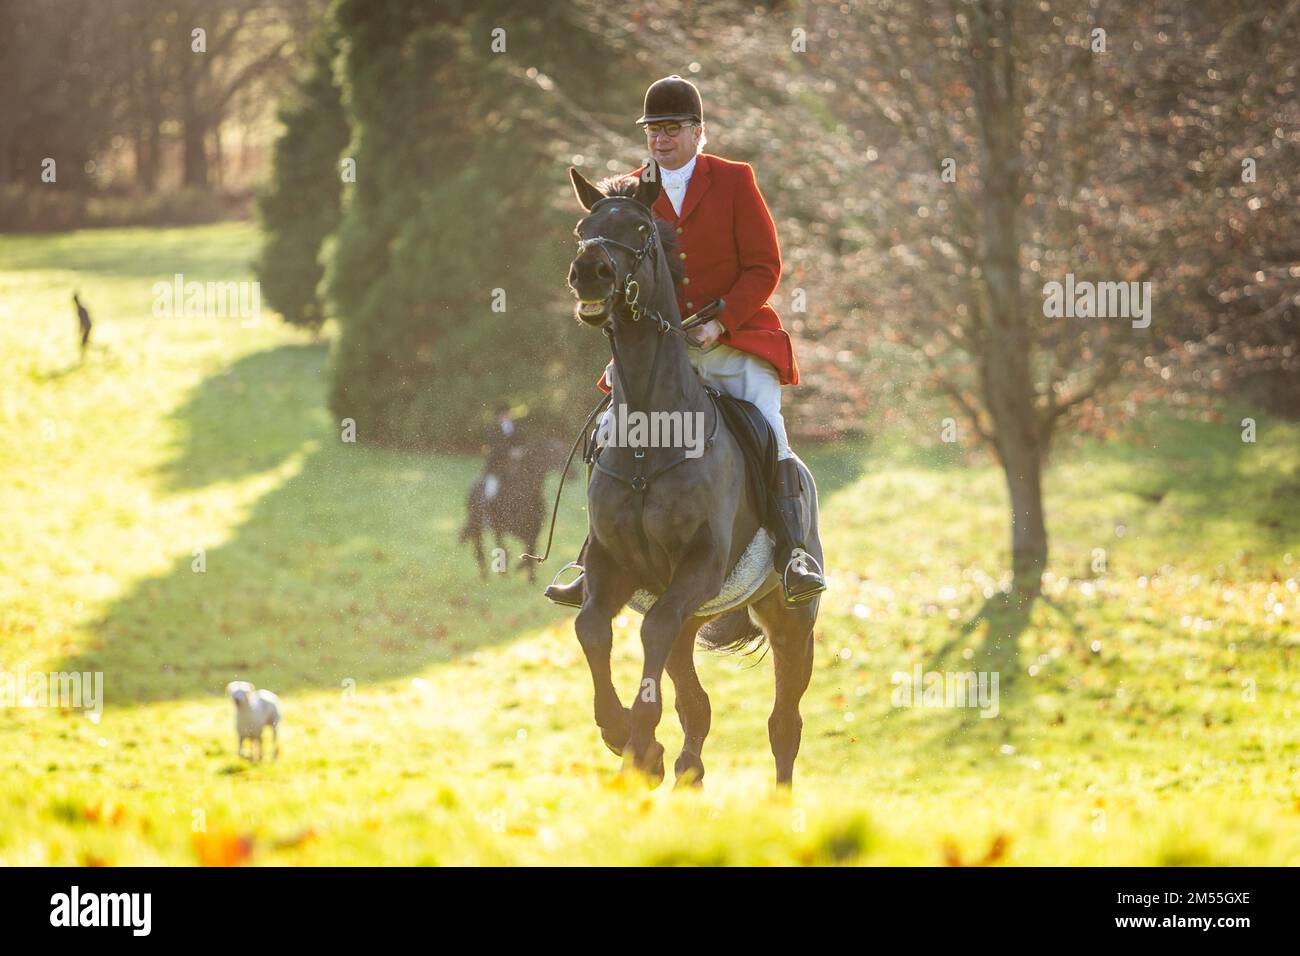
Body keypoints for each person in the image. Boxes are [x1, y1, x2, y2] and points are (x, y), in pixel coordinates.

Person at [545, 74, 826, 609]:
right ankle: (593, 554)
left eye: (672, 129)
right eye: (653, 130)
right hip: (659, 356)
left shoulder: (735, 180)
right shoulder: (626, 194)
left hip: (734, 342)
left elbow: (765, 265)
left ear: (699, 131)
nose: (661, 139)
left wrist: (721, 324)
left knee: (771, 432)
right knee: (609, 433)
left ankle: (793, 555)